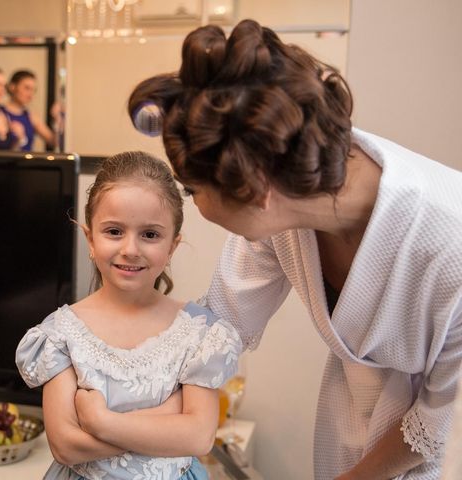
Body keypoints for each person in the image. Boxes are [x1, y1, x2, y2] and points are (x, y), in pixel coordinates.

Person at [127, 19, 462, 480]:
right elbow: (223, 322)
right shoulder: (287, 203)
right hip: (348, 425)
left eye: (192, 191)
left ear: (256, 189)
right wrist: (113, 363)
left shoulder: (450, 242)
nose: (197, 206)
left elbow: (437, 421)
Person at [16, 151, 242, 479]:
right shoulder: (60, 334)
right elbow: (66, 445)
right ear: (90, 238)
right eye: (114, 231)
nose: (131, 249)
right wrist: (164, 424)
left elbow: (198, 436)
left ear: (172, 247)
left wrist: (101, 423)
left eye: (150, 234)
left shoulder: (199, 332)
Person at [1, 69, 57, 151]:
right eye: (27, 88)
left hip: (27, 162)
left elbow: (53, 141)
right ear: (12, 87)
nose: (30, 94)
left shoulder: (31, 117)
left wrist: (56, 119)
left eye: (33, 90)